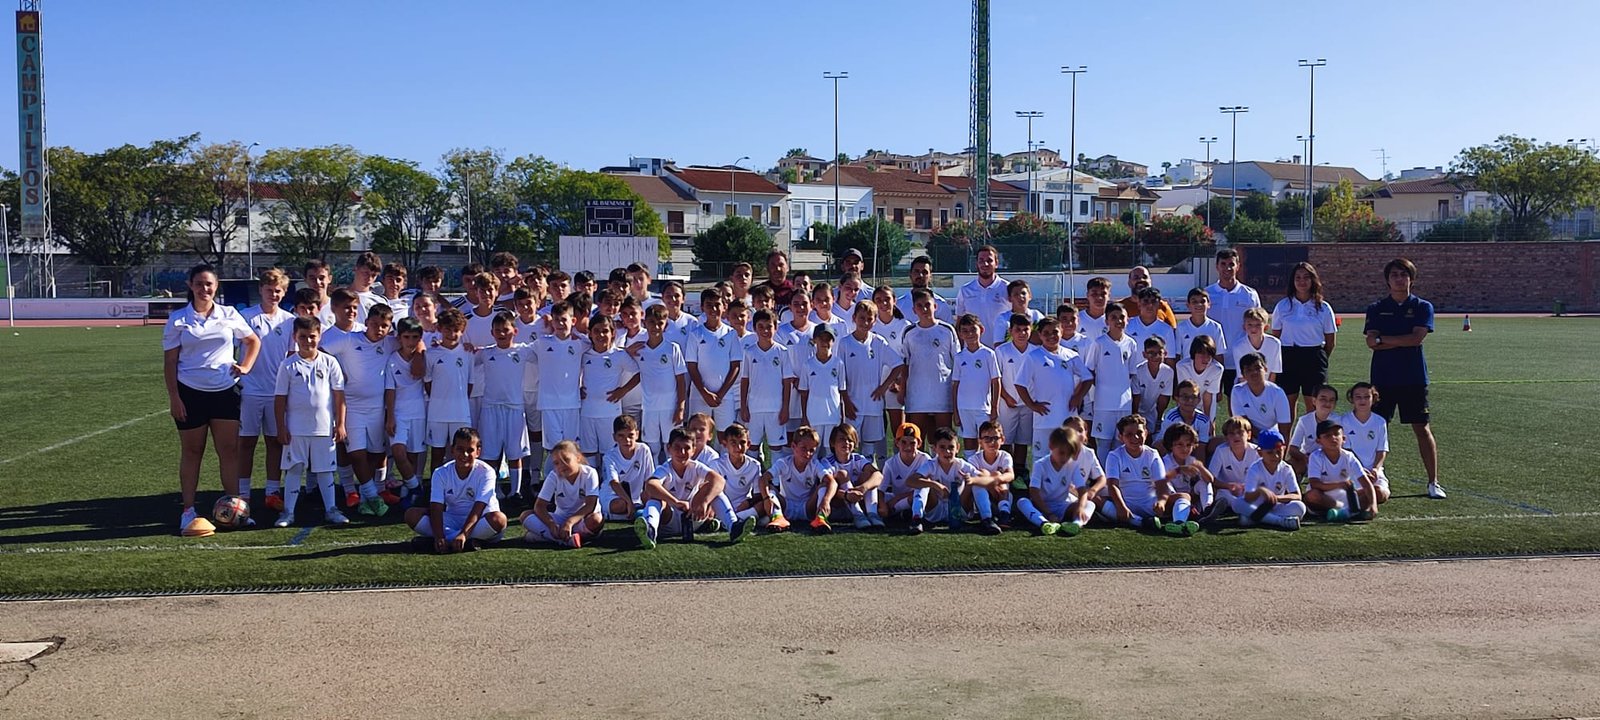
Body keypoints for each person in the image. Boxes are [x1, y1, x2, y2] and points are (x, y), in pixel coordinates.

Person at [164, 264, 261, 536]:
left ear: (216, 286)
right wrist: (174, 397)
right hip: (189, 393)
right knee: (192, 452)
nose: (204, 289)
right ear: (190, 285)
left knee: (229, 451)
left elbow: (253, 341)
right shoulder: (178, 319)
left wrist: (245, 367)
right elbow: (170, 362)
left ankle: (236, 508)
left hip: (225, 392)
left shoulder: (229, 314)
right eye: (199, 283)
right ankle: (188, 510)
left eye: (209, 284)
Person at [1364, 257, 1444, 499]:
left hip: (1413, 378)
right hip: (1382, 379)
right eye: (1395, 275)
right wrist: (1399, 340)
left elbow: (1416, 339)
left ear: (1411, 278)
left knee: (1422, 428)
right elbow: (1370, 342)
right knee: (1376, 429)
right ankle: (1372, 475)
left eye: (1404, 274)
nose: (1399, 279)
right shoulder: (1377, 308)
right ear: (1388, 281)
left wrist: (1385, 339)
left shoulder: (1422, 307)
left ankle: (1433, 482)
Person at [271, 315, 346, 527]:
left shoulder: (330, 362)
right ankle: (288, 513)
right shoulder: (287, 365)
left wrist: (340, 424)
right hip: (296, 429)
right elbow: (280, 399)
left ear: (319, 336)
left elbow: (339, 395)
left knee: (325, 470)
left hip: (323, 428)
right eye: (303, 337)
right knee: (294, 469)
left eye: (312, 336)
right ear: (295, 337)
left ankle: (331, 509)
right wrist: (281, 426)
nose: (308, 341)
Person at [240, 268, 294, 514]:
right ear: (260, 289)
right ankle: (243, 494)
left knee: (275, 443)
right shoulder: (245, 317)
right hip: (249, 391)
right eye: (269, 289)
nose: (274, 294)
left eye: (278, 290)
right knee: (246, 443)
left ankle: (272, 491)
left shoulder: (289, 320)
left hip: (277, 394)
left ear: (284, 293)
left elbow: (292, 357)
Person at [405, 427, 509, 552]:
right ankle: (464, 543)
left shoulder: (487, 472)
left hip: (481, 521)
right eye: (460, 449)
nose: (464, 455)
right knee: (411, 515)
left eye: (470, 450)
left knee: (499, 519)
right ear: (452, 449)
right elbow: (436, 506)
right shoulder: (440, 473)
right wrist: (439, 536)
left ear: (478, 452)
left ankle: (445, 542)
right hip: (452, 519)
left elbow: (479, 507)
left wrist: (464, 534)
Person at [1100, 415, 1197, 536]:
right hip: (1126, 503)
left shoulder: (1152, 454)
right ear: (1120, 437)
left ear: (1146, 433)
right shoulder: (1114, 456)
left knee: (1184, 496)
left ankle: (1178, 524)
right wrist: (1120, 507)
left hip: (1151, 504)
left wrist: (1161, 502)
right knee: (1095, 499)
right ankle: (1140, 522)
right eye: (1129, 434)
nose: (1135, 437)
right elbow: (1112, 485)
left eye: (1139, 433)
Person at [1014, 317, 1092, 463]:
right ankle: (1038, 485)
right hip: (1044, 418)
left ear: (1061, 332)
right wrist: (1032, 405)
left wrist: (1078, 396)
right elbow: (1020, 384)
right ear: (1040, 335)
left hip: (1067, 417)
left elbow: (1087, 377)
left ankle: (1069, 485)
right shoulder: (1033, 357)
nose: (1051, 336)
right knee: (1041, 458)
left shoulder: (1071, 356)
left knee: (1069, 456)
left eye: (1055, 332)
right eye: (1046, 333)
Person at [474, 312, 534, 498]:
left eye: (505, 330)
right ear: (492, 332)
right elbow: (466, 357)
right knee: (490, 453)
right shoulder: (486, 353)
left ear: (514, 331)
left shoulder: (523, 351)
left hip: (514, 408)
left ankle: (515, 491)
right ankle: (493, 489)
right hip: (490, 408)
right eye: (497, 330)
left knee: (515, 453)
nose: (502, 333)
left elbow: (548, 354)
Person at [839, 300, 903, 462]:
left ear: (875, 320)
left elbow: (898, 365)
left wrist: (883, 387)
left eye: (869, 319)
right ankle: (850, 480)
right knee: (850, 444)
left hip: (873, 404)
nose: (865, 322)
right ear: (854, 318)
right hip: (853, 404)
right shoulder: (845, 343)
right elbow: (840, 375)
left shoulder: (878, 342)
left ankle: (867, 481)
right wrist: (845, 401)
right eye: (862, 318)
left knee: (868, 447)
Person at [1272, 262, 1339, 416]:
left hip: (1314, 358)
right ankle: (1286, 440)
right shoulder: (1283, 306)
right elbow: (1275, 338)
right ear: (1292, 281)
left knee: (1314, 405)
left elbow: (1330, 341)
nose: (1302, 281)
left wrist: (1319, 358)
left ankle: (1314, 439)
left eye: (1306, 277)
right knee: (1287, 406)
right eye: (1298, 278)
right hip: (1288, 357)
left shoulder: (1323, 307)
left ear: (1313, 280)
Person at [1076, 303, 1140, 464]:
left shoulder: (1131, 344)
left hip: (1124, 403)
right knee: (1103, 442)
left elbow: (1132, 373)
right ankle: (1103, 481)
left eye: (1122, 317)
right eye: (1113, 317)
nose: (1118, 321)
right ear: (1107, 321)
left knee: (1121, 442)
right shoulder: (1099, 343)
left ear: (1128, 320)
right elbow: (1089, 371)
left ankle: (1118, 477)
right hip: (1103, 403)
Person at [1018, 423, 1103, 536]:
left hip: (1063, 506)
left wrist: (1080, 508)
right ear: (1051, 446)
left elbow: (1082, 490)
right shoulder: (1040, 465)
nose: (1065, 457)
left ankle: (1076, 525)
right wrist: (1048, 513)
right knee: (1022, 502)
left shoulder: (1072, 465)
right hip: (1042, 506)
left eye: (1069, 454)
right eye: (1062, 453)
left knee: (1090, 504)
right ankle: (1044, 524)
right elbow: (1034, 492)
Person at [908, 426, 996, 534]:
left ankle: (987, 519)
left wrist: (972, 480)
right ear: (934, 448)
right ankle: (916, 519)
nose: (947, 451)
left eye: (951, 447)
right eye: (942, 447)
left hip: (958, 509)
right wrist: (935, 484)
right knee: (922, 482)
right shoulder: (931, 465)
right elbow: (910, 481)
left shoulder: (961, 464)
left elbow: (988, 480)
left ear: (958, 448)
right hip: (936, 509)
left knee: (977, 483)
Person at [577, 316, 639, 465]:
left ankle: (608, 484)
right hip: (587, 412)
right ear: (590, 333)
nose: (601, 335)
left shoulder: (619, 355)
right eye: (596, 331)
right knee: (588, 451)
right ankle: (591, 484)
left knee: (609, 452)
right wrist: (577, 389)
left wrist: (622, 390)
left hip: (609, 412)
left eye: (605, 331)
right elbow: (570, 373)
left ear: (613, 333)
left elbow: (638, 374)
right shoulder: (584, 354)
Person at [521, 440, 604, 548]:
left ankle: (545, 536)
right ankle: (566, 539)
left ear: (578, 458)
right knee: (525, 516)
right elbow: (539, 506)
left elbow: (590, 505)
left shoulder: (589, 473)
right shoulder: (554, 475)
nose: (562, 466)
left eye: (566, 460)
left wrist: (569, 522)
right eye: (556, 463)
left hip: (582, 520)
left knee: (596, 520)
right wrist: (551, 524)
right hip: (560, 519)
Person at [381, 317, 428, 503]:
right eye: (406, 337)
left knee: (413, 454)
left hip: (419, 413)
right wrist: (390, 417)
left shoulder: (424, 357)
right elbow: (390, 390)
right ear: (399, 338)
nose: (410, 341)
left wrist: (420, 354)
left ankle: (411, 489)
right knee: (398, 452)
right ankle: (415, 487)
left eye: (415, 337)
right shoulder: (392, 360)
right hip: (399, 414)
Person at [532, 301, 588, 457]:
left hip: (572, 404)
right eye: (556, 320)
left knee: (571, 448)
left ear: (573, 321)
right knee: (554, 449)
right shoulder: (542, 343)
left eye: (564, 319)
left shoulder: (581, 343)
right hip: (549, 404)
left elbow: (600, 350)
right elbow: (517, 351)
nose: (560, 324)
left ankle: (572, 480)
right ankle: (552, 481)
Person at [902, 288, 957, 442]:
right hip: (917, 394)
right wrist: (902, 390)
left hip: (942, 393)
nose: (924, 309)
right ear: (914, 310)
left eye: (927, 305)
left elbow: (957, 362)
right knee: (916, 440)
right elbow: (905, 362)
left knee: (943, 439)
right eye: (919, 306)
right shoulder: (909, 332)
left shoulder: (947, 330)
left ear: (935, 306)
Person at [423, 307, 473, 474]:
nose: (452, 333)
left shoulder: (467, 353)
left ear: (462, 330)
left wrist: (458, 400)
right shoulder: (431, 354)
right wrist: (440, 399)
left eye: (456, 330)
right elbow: (428, 383)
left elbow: (470, 384)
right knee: (437, 453)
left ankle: (459, 488)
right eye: (448, 329)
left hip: (460, 412)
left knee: (461, 453)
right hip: (437, 413)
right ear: (439, 329)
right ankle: (435, 487)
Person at [1204, 249, 1262, 394]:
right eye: (1223, 264)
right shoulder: (1207, 294)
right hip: (1212, 359)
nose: (1227, 268)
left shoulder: (1249, 294)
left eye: (1231, 264)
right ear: (1217, 266)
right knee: (1209, 402)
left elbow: (1258, 325)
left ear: (1238, 266)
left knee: (1237, 404)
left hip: (1240, 359)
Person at [761, 425, 835, 534]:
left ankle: (820, 518)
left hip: (808, 507)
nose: (807, 454)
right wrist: (766, 498)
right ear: (793, 446)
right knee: (771, 489)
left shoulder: (814, 464)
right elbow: (763, 479)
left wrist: (826, 500)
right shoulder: (784, 463)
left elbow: (832, 481)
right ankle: (778, 517)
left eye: (811, 450)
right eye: (803, 448)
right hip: (786, 505)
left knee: (824, 486)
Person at [740, 308, 793, 458]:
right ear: (754, 328)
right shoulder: (749, 352)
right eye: (760, 327)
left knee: (776, 448)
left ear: (775, 328)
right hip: (754, 408)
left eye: (769, 326)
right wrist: (744, 406)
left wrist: (785, 408)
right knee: (752, 446)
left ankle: (775, 481)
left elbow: (787, 382)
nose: (765, 330)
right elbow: (745, 380)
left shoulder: (782, 351)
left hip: (776, 408)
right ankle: (753, 479)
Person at [687, 288, 742, 430]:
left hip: (724, 395)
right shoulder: (696, 334)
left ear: (724, 307)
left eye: (717, 304)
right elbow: (692, 367)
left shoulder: (730, 333)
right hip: (700, 395)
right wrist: (704, 392)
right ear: (702, 308)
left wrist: (721, 393)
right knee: (698, 434)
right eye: (709, 305)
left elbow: (735, 366)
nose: (713, 309)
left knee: (725, 434)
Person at [1303, 419, 1378, 522]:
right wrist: (1339, 485)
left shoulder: (1349, 456)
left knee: (1375, 491)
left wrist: (1373, 505)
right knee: (1312, 496)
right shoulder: (1315, 457)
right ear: (1319, 441)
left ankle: (1341, 512)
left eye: (1336, 434)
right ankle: (1346, 511)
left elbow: (1366, 483)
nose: (1333, 438)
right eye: (1327, 436)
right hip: (1325, 497)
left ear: (1343, 439)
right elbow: (1315, 484)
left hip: (1345, 495)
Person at [1231, 428, 1306, 530]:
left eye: (1279, 452)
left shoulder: (1286, 469)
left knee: (1300, 507)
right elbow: (1248, 497)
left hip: (1276, 506)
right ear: (1260, 453)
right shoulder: (1255, 468)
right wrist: (1260, 491)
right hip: (1257, 505)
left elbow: (1297, 496)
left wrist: (1277, 498)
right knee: (1237, 503)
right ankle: (1279, 521)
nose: (1275, 456)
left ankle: (1255, 518)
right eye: (1270, 452)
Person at [818, 424, 884, 530]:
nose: (846, 443)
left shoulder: (857, 458)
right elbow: (826, 486)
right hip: (838, 505)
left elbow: (878, 475)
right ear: (832, 443)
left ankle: (872, 514)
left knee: (869, 475)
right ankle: (858, 515)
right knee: (842, 474)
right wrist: (846, 495)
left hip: (859, 500)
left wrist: (863, 488)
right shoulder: (827, 462)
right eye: (841, 439)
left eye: (850, 440)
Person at [950, 314, 1000, 451]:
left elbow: (996, 381)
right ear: (960, 333)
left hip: (983, 408)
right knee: (969, 441)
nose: (970, 334)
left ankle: (984, 471)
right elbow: (955, 385)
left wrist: (994, 407)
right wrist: (955, 410)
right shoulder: (960, 357)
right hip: (964, 408)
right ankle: (971, 469)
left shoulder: (988, 354)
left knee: (986, 441)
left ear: (981, 330)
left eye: (973, 330)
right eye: (965, 331)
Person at [994, 314, 1036, 474]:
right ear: (1011, 331)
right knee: (1005, 439)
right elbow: (996, 378)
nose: (1022, 333)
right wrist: (1006, 396)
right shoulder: (1001, 351)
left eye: (1026, 329)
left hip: (1028, 404)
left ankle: (1020, 472)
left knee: (1023, 441)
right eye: (1017, 330)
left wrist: (1031, 401)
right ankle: (1004, 471)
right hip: (1007, 403)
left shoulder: (1036, 351)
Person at [1340, 382, 1392, 506]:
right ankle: (1355, 503)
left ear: (1373, 399)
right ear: (1352, 399)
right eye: (1358, 397)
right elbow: (1347, 452)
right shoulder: (1344, 420)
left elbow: (1382, 450)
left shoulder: (1380, 422)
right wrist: (1361, 470)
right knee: (1360, 491)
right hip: (1352, 469)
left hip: (1373, 471)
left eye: (1366, 397)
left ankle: (1354, 502)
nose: (1362, 400)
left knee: (1381, 494)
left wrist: (1375, 469)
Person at [797, 324, 847, 447]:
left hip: (833, 417)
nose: (825, 342)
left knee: (831, 452)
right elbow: (804, 392)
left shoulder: (838, 363)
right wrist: (804, 416)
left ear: (833, 342)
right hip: (813, 417)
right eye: (821, 338)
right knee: (813, 451)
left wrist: (843, 417)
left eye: (828, 339)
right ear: (815, 340)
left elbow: (842, 391)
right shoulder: (808, 365)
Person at [871, 285, 912, 432]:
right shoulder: (870, 326)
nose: (883, 303)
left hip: (896, 384)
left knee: (899, 429)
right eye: (878, 300)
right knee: (877, 428)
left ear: (894, 300)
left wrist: (901, 382)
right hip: (875, 385)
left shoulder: (904, 326)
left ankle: (898, 455)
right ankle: (879, 456)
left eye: (887, 299)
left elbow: (908, 357)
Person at [711, 423, 767, 528]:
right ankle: (736, 521)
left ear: (749, 444)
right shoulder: (716, 464)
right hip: (722, 507)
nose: (738, 447)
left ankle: (730, 522)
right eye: (733, 443)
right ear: (725, 444)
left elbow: (757, 495)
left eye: (743, 443)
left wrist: (748, 502)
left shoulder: (754, 465)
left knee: (765, 504)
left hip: (743, 507)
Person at [876, 423, 932, 527]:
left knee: (921, 489)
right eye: (904, 442)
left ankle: (916, 518)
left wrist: (898, 499)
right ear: (897, 443)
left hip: (920, 498)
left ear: (919, 443)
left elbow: (928, 485)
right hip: (899, 498)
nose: (908, 447)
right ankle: (901, 513)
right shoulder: (890, 463)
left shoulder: (925, 459)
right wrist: (882, 505)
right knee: (874, 500)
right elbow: (881, 489)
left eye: (912, 443)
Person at [601, 415, 656, 521]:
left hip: (636, 498)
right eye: (621, 436)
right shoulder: (609, 456)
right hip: (613, 496)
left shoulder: (644, 450)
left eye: (630, 435)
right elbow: (614, 483)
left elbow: (649, 479)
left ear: (637, 434)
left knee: (653, 498)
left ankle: (642, 515)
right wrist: (629, 502)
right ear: (614, 437)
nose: (627, 440)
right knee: (620, 505)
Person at [965, 419, 1016, 527]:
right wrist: (992, 485)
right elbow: (972, 481)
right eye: (987, 439)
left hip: (1001, 496)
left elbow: (1010, 475)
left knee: (999, 476)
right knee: (981, 476)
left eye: (995, 438)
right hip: (982, 499)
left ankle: (1004, 514)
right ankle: (986, 518)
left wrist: (995, 480)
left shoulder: (1005, 456)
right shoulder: (974, 459)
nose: (991, 442)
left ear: (1002, 440)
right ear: (980, 442)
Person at [955, 245, 1010, 335]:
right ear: (977, 263)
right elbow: (959, 323)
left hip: (999, 348)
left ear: (996, 263)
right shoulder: (965, 290)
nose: (985, 264)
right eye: (981, 260)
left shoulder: (1007, 288)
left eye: (989, 260)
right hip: (973, 348)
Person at [1287, 384, 1340, 477]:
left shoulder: (1339, 421)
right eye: (1323, 399)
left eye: (1331, 400)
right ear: (1314, 401)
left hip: (1331, 459)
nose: (1327, 403)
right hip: (1308, 458)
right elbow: (1293, 448)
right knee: (1291, 464)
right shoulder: (1304, 420)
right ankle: (1293, 488)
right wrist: (1305, 458)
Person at [1177, 336, 1225, 422]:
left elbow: (1208, 396)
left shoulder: (1217, 369)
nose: (1206, 358)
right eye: (1202, 354)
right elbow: (1184, 394)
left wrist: (1207, 421)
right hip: (1188, 401)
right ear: (1194, 354)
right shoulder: (1182, 367)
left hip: (1207, 404)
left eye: (1209, 354)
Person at [1132, 336, 1175, 431]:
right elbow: (1136, 398)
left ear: (1165, 354)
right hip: (1136, 411)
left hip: (1153, 412)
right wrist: (1135, 419)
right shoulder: (1137, 371)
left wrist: (1159, 419)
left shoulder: (1168, 372)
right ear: (1144, 354)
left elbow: (1164, 399)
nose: (1155, 356)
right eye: (1151, 353)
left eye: (1159, 353)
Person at [1228, 307, 1282, 383]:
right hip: (1245, 385)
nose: (1253, 328)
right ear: (1244, 327)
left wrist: (1267, 391)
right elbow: (1241, 376)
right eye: (1250, 325)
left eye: (1258, 325)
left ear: (1266, 327)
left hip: (1267, 384)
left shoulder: (1275, 343)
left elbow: (1273, 373)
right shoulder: (1238, 346)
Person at [1125, 287, 1178, 365]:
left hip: (1157, 376)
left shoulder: (1166, 329)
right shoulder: (1127, 325)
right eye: (1145, 301)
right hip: (1132, 374)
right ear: (1139, 304)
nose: (1150, 305)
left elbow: (1170, 359)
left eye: (1153, 302)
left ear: (1159, 305)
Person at [896, 256, 955, 324]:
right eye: (916, 271)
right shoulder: (899, 305)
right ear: (910, 274)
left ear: (930, 276)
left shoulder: (941, 305)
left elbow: (948, 331)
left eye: (924, 272)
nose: (920, 275)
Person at [987, 279, 1043, 347]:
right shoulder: (1003, 318)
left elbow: (1043, 338)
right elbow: (998, 345)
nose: (1020, 296)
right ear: (1010, 298)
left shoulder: (1037, 316)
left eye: (1023, 293)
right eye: (1016, 294)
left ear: (1030, 296)